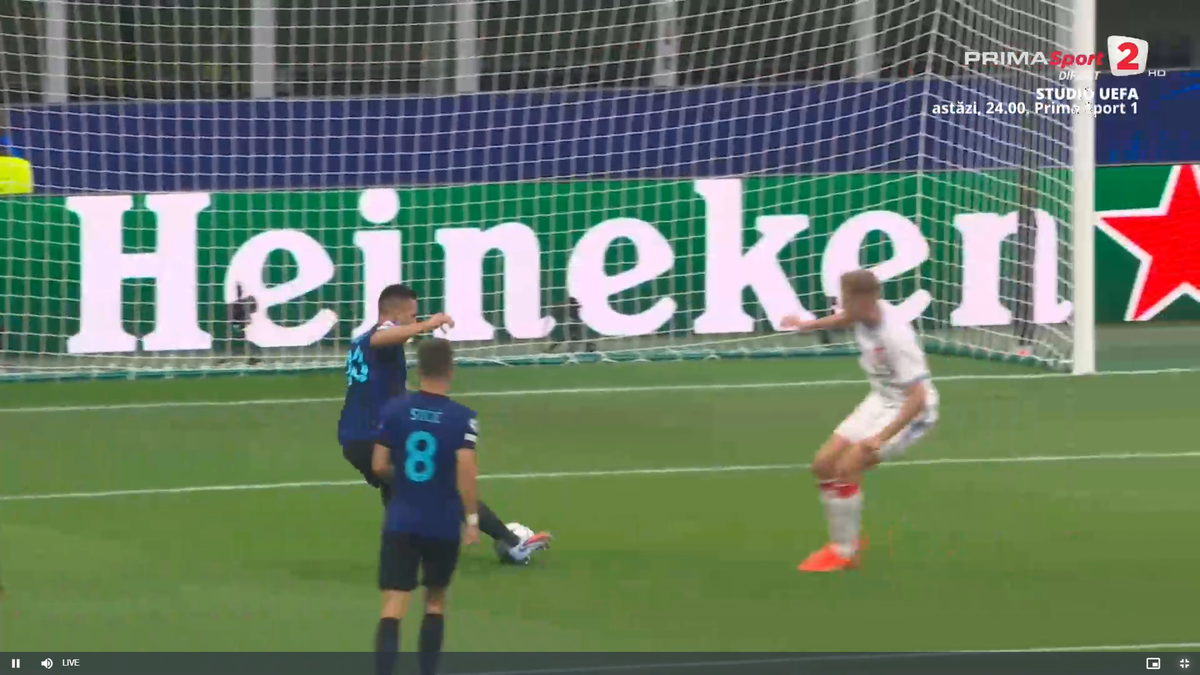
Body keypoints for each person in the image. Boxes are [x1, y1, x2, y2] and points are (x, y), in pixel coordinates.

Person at [337, 284, 551, 563]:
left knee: (398, 486)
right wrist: (428, 325)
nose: (414, 320)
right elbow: (382, 337)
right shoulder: (381, 336)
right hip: (372, 437)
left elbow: (382, 386)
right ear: (395, 314)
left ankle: (403, 550)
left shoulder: (360, 342)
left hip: (355, 438)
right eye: (412, 315)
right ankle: (513, 543)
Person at [780, 270, 939, 572]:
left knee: (848, 466)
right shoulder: (863, 313)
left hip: (911, 411)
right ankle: (848, 535)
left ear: (865, 299)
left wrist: (881, 437)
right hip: (881, 399)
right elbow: (844, 319)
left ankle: (844, 551)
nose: (842, 305)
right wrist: (806, 325)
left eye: (847, 299)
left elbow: (918, 397)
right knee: (823, 465)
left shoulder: (895, 337)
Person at [371, 338, 476, 675]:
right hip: (442, 522)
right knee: (435, 600)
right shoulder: (462, 418)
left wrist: (402, 480)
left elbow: (378, 465)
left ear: (418, 369)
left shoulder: (394, 411)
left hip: (401, 519)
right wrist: (472, 518)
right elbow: (466, 471)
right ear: (451, 370)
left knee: (393, 603)